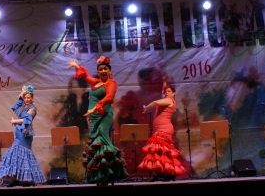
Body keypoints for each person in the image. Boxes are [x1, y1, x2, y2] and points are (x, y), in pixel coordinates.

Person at [67, 56, 127, 186]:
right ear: (98, 71)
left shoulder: (111, 83)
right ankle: (100, 174)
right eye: (101, 69)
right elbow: (85, 76)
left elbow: (109, 97)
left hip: (104, 115)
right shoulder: (95, 82)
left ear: (109, 70)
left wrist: (96, 107)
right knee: (95, 142)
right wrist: (76, 66)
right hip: (93, 117)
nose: (103, 71)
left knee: (102, 138)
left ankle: (110, 171)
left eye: (105, 69)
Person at [0, 85, 47, 187]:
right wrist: (22, 93)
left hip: (25, 135)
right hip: (18, 134)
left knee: (23, 155)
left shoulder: (32, 108)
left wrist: (14, 121)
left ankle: (26, 179)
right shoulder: (22, 107)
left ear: (32, 98)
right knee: (15, 155)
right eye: (25, 98)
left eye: (28, 98)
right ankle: (16, 178)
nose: (26, 99)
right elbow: (15, 106)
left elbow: (26, 120)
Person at [137, 77, 187, 181]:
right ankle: (169, 173)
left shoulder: (169, 100)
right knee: (163, 152)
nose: (166, 93)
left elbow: (156, 102)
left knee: (156, 149)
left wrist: (146, 108)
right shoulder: (168, 99)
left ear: (173, 93)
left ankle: (155, 173)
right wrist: (164, 82)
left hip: (164, 129)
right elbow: (163, 92)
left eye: (169, 91)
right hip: (161, 128)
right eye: (165, 92)